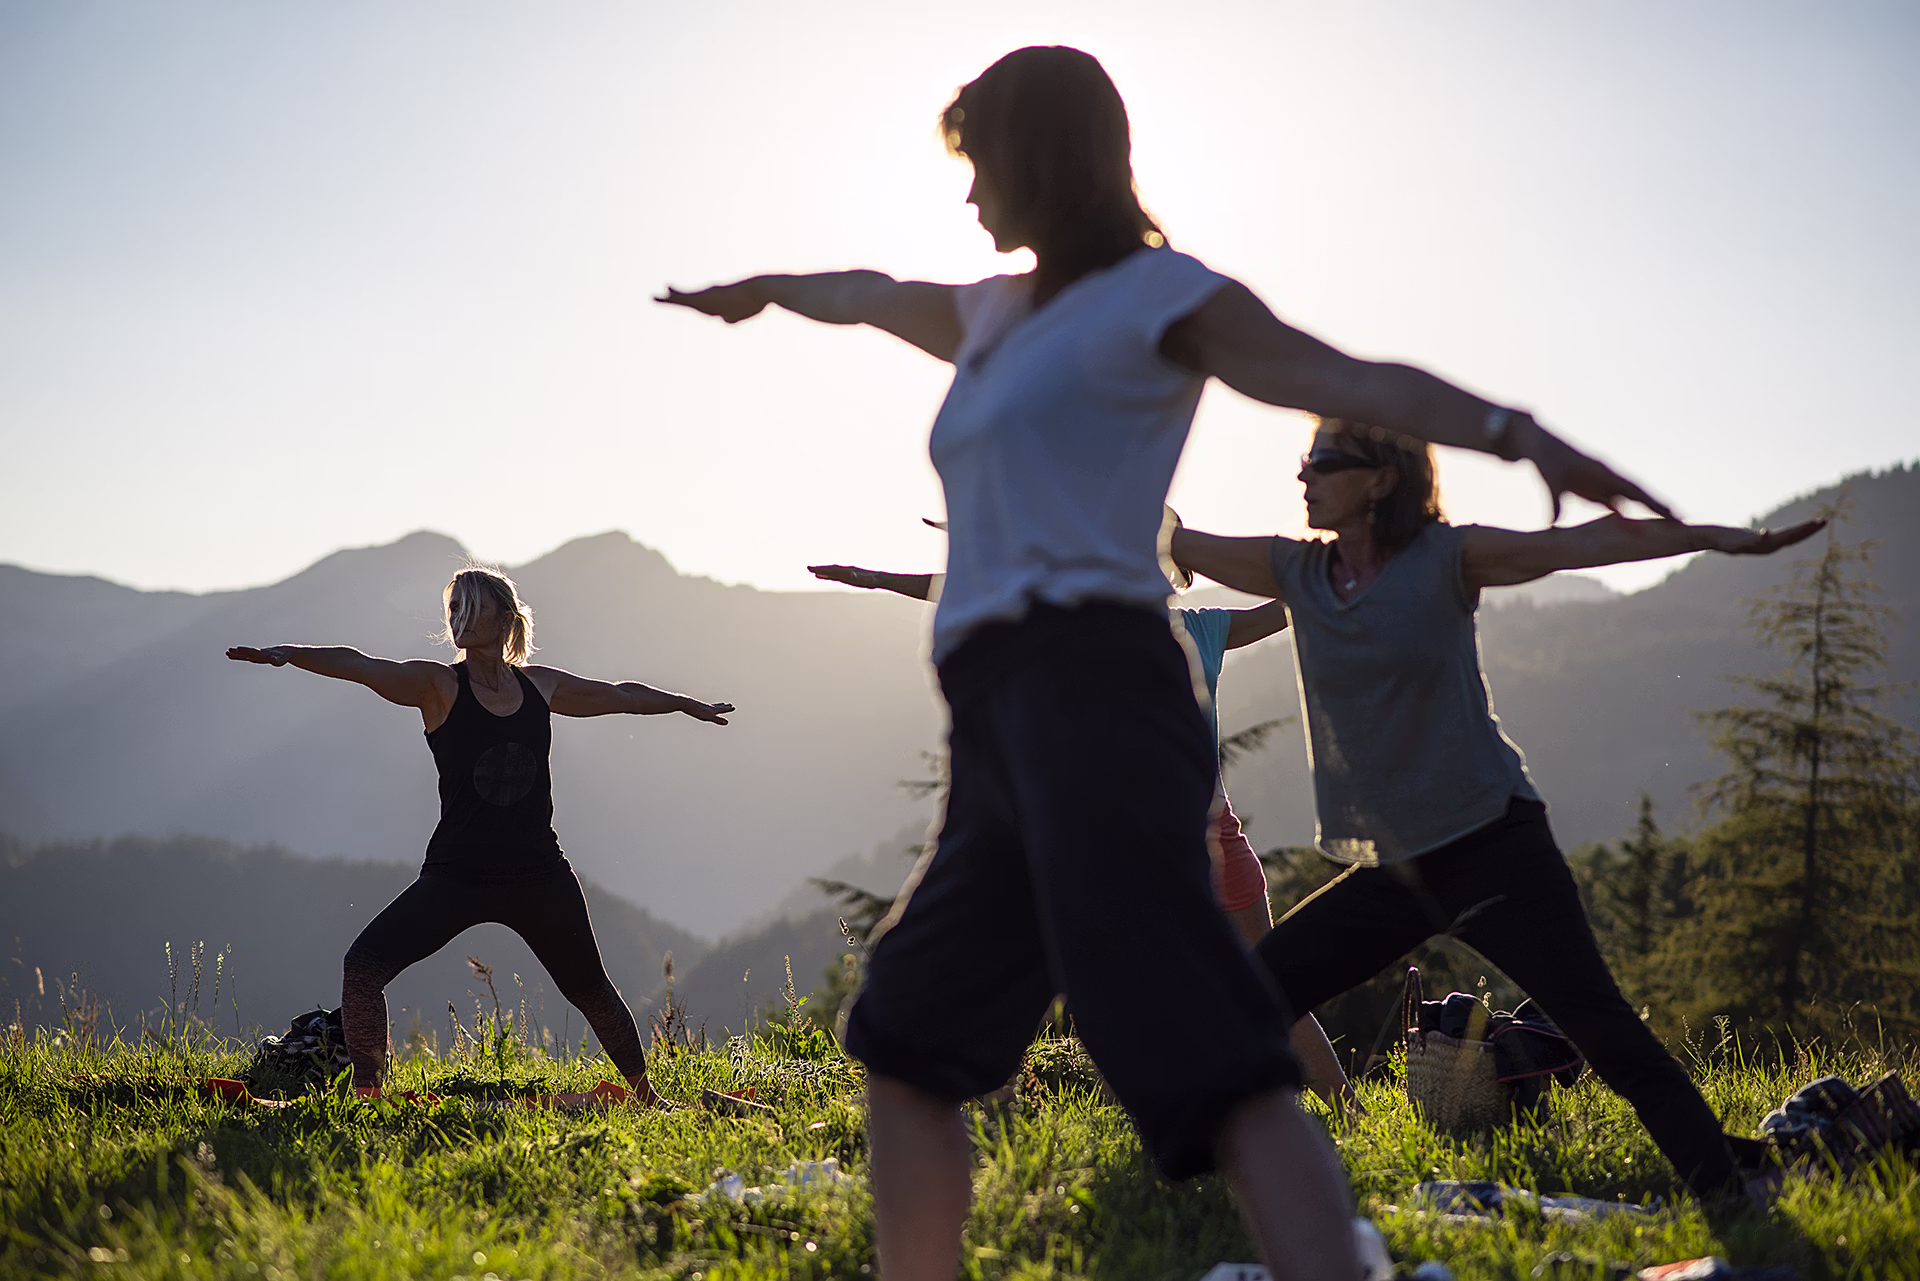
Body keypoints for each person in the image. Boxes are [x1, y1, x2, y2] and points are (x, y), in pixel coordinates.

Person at [660, 45, 1669, 1281]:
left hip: (1097, 694)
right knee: (907, 1038)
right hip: (998, 726)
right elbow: (869, 289)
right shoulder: (990, 312)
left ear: (1044, 156)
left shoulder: (1161, 300)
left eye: (981, 165)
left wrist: (1520, 436)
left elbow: (1343, 375)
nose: (969, 198)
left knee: (1214, 1051)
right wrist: (761, 288)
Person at [1170, 419, 1824, 1203]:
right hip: (1398, 867)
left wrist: (1721, 538)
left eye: (1323, 462)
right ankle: (1202, 1176)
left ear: (1380, 479)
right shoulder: (1295, 568)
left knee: (1606, 1032)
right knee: (1249, 998)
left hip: (1494, 845)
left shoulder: (1445, 557)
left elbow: (1583, 546)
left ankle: (1726, 1179)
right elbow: (1169, 532)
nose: (1303, 476)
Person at [808, 521, 1360, 1110]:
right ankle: (1335, 1109)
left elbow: (968, 592)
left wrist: (879, 579)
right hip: (1214, 838)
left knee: (1108, 989)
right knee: (1269, 987)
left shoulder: (1084, 637)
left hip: (1133, 850)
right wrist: (1346, 569)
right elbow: (1291, 607)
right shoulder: (1205, 629)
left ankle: (1142, 1110)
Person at [226, 566, 734, 1103]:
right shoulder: (438, 687)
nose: (459, 619)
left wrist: (683, 703)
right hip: (456, 874)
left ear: (506, 621)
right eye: (454, 610)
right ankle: (368, 1096)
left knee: (590, 987)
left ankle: (644, 1096)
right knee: (363, 967)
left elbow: (620, 694)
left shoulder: (541, 687)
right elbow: (362, 666)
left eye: (474, 609)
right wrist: (288, 653)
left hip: (539, 873)